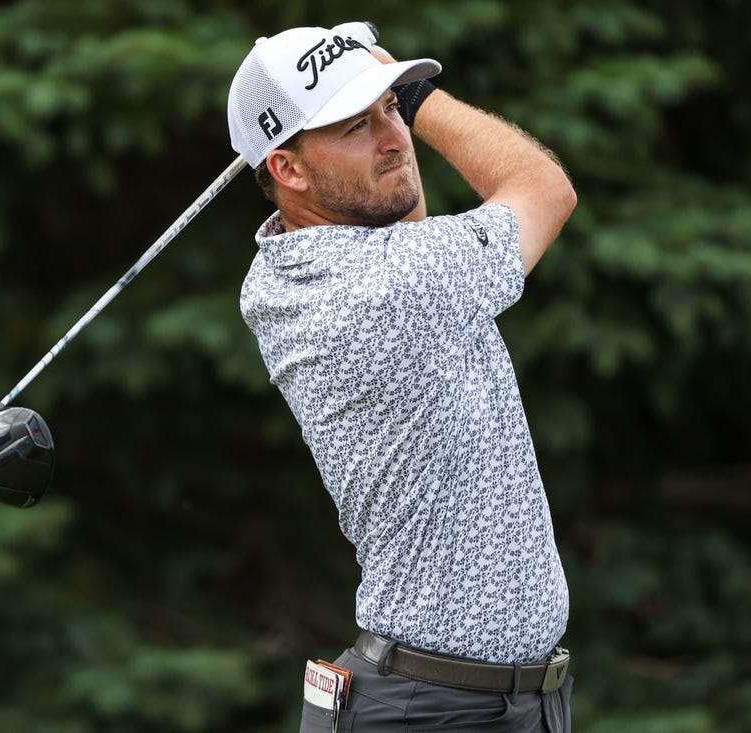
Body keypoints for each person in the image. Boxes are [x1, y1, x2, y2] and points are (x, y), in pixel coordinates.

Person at [227, 22, 578, 733]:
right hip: (431, 710)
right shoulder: (385, 289)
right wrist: (416, 93)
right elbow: (545, 188)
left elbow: (403, 214)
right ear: (287, 169)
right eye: (357, 124)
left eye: (390, 109)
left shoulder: (291, 266)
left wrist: (370, 100)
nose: (393, 137)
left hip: (490, 701)